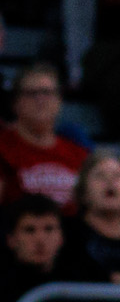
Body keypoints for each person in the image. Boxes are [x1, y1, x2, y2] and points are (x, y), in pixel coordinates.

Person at [59, 149, 120, 283]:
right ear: (83, 191)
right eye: (100, 175)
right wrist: (113, 280)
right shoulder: (63, 235)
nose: (110, 181)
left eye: (118, 175)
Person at [0, 64, 87, 208]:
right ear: (15, 102)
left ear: (59, 101)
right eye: (31, 93)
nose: (40, 99)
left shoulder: (78, 154)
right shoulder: (3, 148)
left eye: (47, 92)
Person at [0, 193, 66, 302]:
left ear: (61, 238)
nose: (40, 239)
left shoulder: (76, 286)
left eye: (49, 229)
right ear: (11, 239)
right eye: (29, 230)